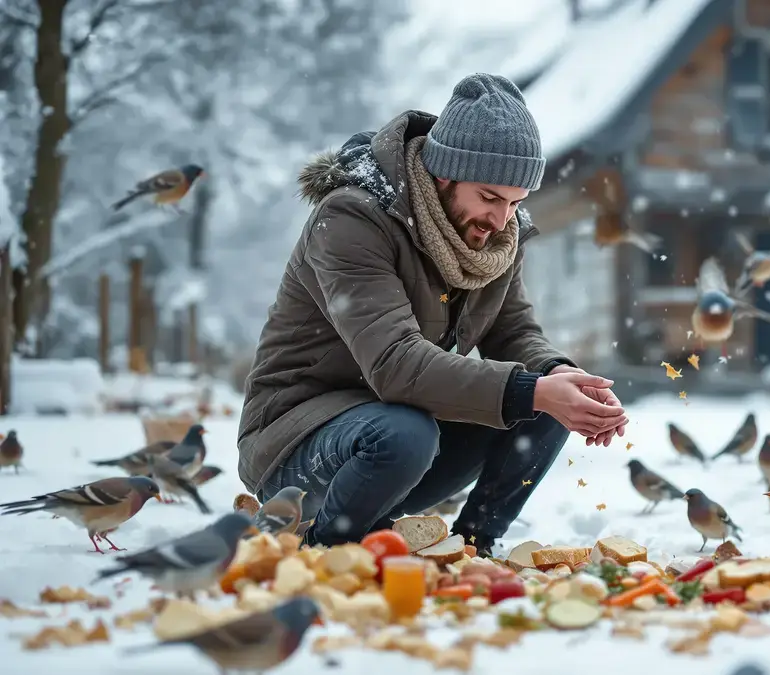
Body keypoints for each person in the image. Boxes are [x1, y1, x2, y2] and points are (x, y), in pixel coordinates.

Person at [237, 73, 628, 554]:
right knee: (414, 429)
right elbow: (396, 365)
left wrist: (562, 375)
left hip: (398, 448)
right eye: (489, 197)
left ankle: (472, 549)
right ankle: (324, 553)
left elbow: (516, 331)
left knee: (544, 399)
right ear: (444, 173)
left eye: (515, 203)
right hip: (300, 448)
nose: (502, 219)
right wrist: (534, 390)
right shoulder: (351, 220)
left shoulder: (496, 237)